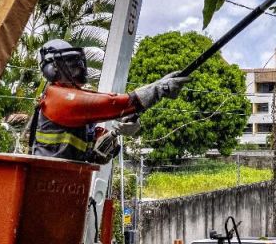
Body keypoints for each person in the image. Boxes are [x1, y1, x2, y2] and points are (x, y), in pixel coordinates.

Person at [30, 39, 188, 162]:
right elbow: (111, 104)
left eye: (77, 62)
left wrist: (108, 141)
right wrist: (159, 88)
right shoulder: (57, 97)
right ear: (51, 70)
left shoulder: (75, 99)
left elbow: (86, 147)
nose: (78, 68)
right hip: (47, 180)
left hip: (68, 181)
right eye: (70, 63)